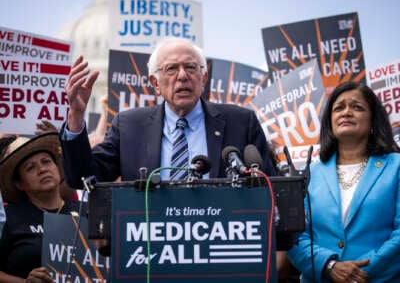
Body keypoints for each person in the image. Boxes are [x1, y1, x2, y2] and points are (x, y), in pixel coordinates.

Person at [60, 37, 277, 187]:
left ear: (203, 78)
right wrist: (76, 117)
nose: (182, 76)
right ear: (155, 83)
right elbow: (83, 177)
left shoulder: (241, 122)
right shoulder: (128, 126)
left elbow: (268, 186)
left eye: (191, 67)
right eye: (171, 69)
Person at [287, 82, 400, 282]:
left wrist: (359, 273)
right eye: (339, 108)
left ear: (373, 121)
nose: (346, 112)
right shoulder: (309, 174)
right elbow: (294, 236)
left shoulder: (396, 166)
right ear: (330, 121)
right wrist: (329, 266)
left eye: (357, 107)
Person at [0, 132, 84, 281]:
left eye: (46, 161)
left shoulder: (87, 211)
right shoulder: (8, 217)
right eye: (30, 168)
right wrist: (24, 282)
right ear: (19, 184)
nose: (42, 169)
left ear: (58, 169)